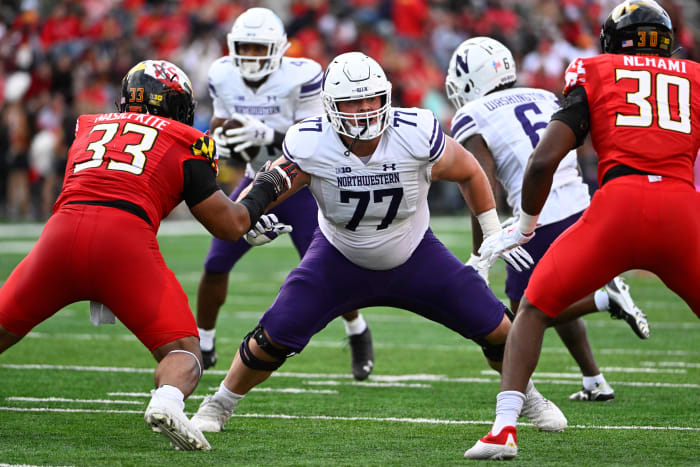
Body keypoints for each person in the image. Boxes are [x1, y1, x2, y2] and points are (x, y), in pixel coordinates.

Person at [189, 51, 568, 436]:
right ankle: (220, 402)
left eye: (372, 98)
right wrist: (252, 212)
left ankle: (529, 396)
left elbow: (469, 169)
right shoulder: (311, 140)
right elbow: (274, 179)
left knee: (499, 330)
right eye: (354, 101)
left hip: (416, 254)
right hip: (338, 257)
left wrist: (491, 232)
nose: (366, 109)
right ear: (331, 106)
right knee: (271, 337)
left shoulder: (414, 131)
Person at [0, 60, 296, 451]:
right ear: (175, 105)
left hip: (59, 236)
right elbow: (229, 225)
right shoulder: (185, 138)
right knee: (183, 352)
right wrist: (268, 185)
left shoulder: (88, 126)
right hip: (124, 243)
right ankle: (167, 401)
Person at [466, 0, 700, 460]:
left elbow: (544, 160)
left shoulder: (594, 71)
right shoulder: (694, 76)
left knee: (532, 308)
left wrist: (525, 225)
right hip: (680, 209)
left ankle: (503, 430)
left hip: (617, 208)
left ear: (611, 41)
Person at [445, 36, 649, 403]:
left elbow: (480, 183)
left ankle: (604, 300)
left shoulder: (472, 115)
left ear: (470, 79)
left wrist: (482, 253)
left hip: (538, 215)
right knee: (555, 288)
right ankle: (594, 380)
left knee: (524, 311)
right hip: (582, 206)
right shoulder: (541, 95)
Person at [199, 7, 375, 380]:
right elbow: (219, 122)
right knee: (217, 262)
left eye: (258, 47)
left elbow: (317, 133)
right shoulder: (222, 74)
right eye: (243, 47)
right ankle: (204, 341)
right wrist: (226, 136)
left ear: (278, 49)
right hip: (253, 178)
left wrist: (268, 135)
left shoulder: (304, 74)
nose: (249, 55)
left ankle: (358, 331)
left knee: (326, 270)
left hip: (299, 182)